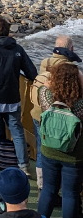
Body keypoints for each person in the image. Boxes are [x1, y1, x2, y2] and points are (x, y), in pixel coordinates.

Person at [0, 16, 37, 172]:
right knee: (17, 131)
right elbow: (31, 72)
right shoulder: (17, 49)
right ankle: (23, 164)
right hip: (12, 97)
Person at [37, 62, 83, 217]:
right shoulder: (80, 104)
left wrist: (50, 83)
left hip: (49, 150)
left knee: (49, 189)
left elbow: (43, 88)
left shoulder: (46, 95)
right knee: (70, 194)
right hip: (73, 154)